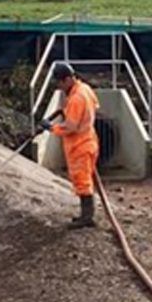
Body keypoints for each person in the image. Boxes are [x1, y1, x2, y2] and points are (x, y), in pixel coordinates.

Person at [42, 63, 99, 228]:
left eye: (60, 83)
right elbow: (95, 107)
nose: (59, 87)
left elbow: (71, 127)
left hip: (79, 145)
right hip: (89, 140)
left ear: (67, 79)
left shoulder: (76, 98)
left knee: (82, 181)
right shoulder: (85, 89)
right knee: (84, 179)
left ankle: (87, 217)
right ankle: (86, 215)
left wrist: (51, 128)